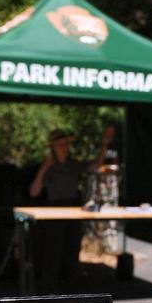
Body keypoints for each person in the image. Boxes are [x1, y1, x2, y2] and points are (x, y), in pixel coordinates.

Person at [28, 125, 114, 293]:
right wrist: (44, 168)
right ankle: (48, 292)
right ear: (53, 148)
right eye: (60, 145)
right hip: (53, 211)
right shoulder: (47, 166)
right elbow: (33, 191)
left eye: (66, 144)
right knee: (53, 252)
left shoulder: (73, 164)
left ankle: (71, 290)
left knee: (72, 250)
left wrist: (104, 145)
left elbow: (95, 165)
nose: (64, 148)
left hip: (73, 208)